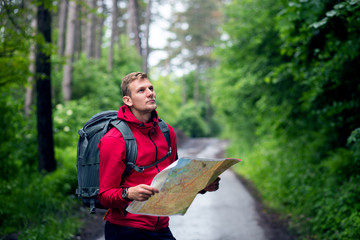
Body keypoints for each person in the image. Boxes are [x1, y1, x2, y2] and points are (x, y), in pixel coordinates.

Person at [98, 72, 220, 240]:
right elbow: (104, 196)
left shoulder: (166, 132)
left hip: (161, 228)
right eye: (141, 90)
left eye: (151, 88)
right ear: (128, 100)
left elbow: (174, 180)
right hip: (125, 230)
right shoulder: (114, 139)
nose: (150, 93)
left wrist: (201, 186)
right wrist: (128, 193)